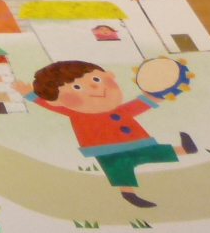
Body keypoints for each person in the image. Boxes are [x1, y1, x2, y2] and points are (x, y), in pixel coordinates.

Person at [16, 61, 179, 209]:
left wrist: (153, 97)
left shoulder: (119, 110)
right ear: (57, 101)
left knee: (156, 152)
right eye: (77, 88)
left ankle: (185, 149)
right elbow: (48, 105)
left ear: (109, 76)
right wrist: (30, 94)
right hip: (103, 148)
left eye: (96, 79)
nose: (94, 87)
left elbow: (137, 106)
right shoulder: (77, 113)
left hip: (135, 141)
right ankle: (128, 193)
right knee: (119, 170)